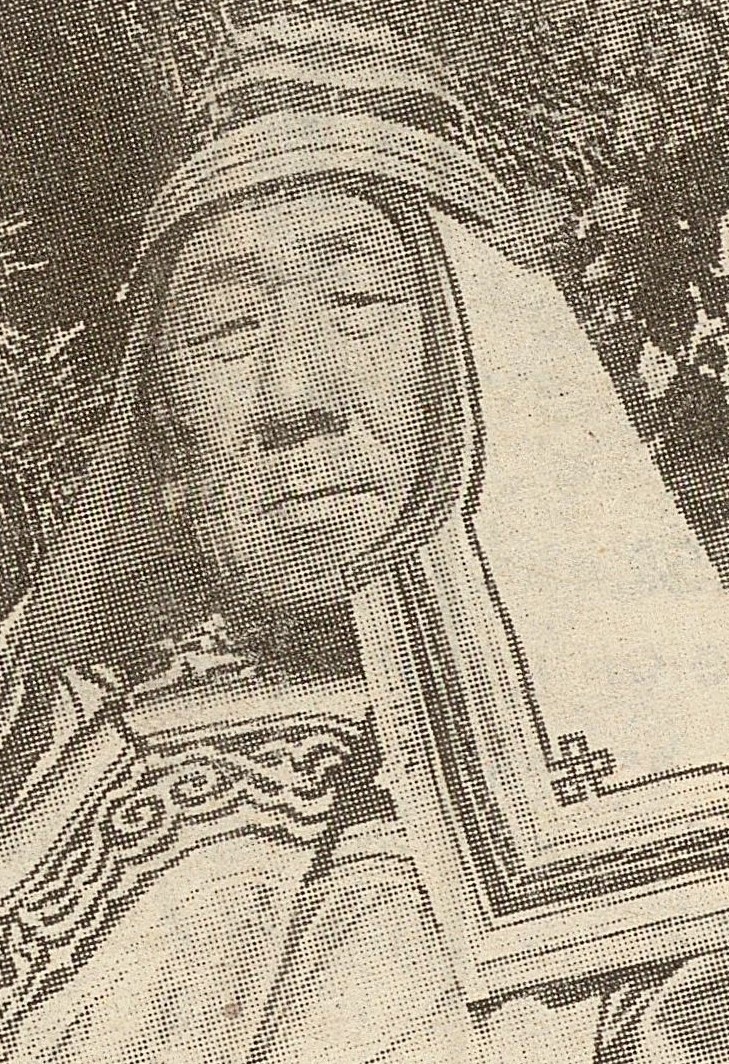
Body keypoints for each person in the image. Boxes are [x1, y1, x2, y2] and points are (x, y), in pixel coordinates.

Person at [0, 12, 725, 1064]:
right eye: (225, 331)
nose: (294, 393)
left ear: (490, 369)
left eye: (359, 302)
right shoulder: (48, 762)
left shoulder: (681, 781)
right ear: (164, 436)